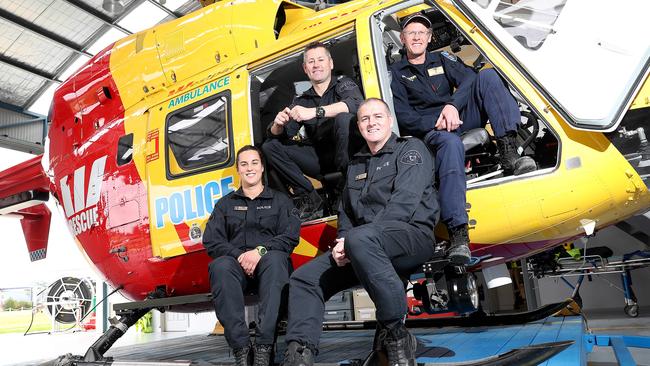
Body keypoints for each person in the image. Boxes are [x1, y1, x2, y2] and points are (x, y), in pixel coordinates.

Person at [281, 98, 438, 366]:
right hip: (362, 246)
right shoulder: (356, 165)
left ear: (389, 121)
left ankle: (397, 336)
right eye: (364, 119)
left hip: (410, 236)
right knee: (304, 278)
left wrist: (354, 240)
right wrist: (342, 241)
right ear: (359, 126)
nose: (371, 122)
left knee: (361, 237)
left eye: (377, 116)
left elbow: (404, 203)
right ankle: (299, 353)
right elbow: (347, 214)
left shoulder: (410, 150)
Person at [389, 13, 536, 264]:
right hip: (432, 132)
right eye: (411, 33)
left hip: (455, 116)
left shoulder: (442, 58)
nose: (416, 37)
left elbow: (469, 78)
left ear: (429, 38)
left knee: (488, 76)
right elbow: (403, 117)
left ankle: (509, 152)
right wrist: (440, 120)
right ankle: (458, 234)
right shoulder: (396, 73)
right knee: (450, 142)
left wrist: (453, 106)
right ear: (402, 39)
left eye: (421, 33)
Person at [202, 145, 301, 366]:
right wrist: (240, 256)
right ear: (238, 170)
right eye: (244, 164)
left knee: (276, 260)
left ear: (262, 167)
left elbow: (290, 236)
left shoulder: (280, 201)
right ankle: (242, 350)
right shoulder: (225, 204)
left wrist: (259, 252)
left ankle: (264, 348)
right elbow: (211, 240)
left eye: (254, 163)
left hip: (269, 266)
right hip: (236, 268)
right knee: (220, 267)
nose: (249, 168)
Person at [262, 41, 364, 221]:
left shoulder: (344, 84)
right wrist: (277, 125)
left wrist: (314, 112)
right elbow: (282, 134)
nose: (316, 65)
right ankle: (309, 196)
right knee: (270, 146)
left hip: (349, 156)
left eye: (320, 60)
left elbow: (355, 104)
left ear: (330, 64)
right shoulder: (301, 100)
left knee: (343, 118)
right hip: (320, 158)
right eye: (311, 62)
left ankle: (347, 185)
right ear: (305, 68)